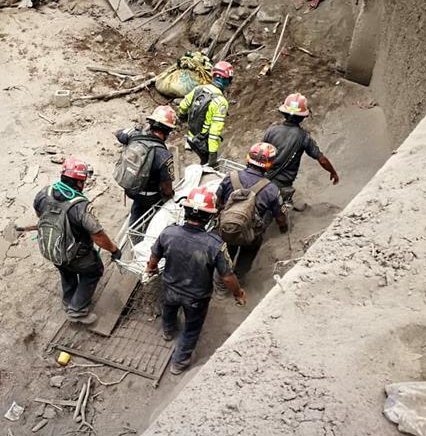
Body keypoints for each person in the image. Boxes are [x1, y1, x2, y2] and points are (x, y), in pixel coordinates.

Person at [145, 186, 245, 374]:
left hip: (170, 288)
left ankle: (168, 332)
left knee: (169, 310)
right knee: (192, 328)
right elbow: (228, 277)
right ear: (209, 217)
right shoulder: (215, 245)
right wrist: (238, 294)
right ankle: (179, 363)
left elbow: (154, 256)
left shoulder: (169, 233)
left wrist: (151, 268)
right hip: (196, 298)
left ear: (186, 210)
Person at [29, 157, 122, 324]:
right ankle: (77, 310)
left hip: (52, 249)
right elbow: (98, 236)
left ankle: (68, 300)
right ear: (80, 182)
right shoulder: (80, 206)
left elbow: (39, 215)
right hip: (76, 254)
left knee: (66, 270)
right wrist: (114, 250)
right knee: (93, 271)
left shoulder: (44, 193)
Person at [262, 93, 339, 229]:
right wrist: (333, 172)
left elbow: (260, 152)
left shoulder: (271, 130)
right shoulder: (304, 137)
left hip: (262, 177)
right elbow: (322, 160)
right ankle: (283, 228)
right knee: (278, 212)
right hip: (282, 183)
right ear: (303, 117)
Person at [215, 142, 285, 282]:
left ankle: (221, 285)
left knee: (226, 255)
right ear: (270, 164)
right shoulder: (272, 189)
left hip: (228, 228)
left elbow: (218, 202)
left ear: (248, 158)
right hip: (252, 235)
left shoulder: (230, 177)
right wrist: (284, 228)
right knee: (247, 256)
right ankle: (239, 279)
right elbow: (280, 217)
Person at [114, 106, 177, 227]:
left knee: (137, 211)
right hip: (151, 197)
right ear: (167, 131)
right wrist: (170, 198)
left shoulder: (135, 135)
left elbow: (118, 133)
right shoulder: (164, 155)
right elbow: (167, 188)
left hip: (131, 189)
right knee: (156, 217)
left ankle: (133, 228)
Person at [178, 60, 233, 167]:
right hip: (203, 143)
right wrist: (212, 155)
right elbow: (214, 132)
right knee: (208, 169)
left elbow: (183, 105)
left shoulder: (199, 89)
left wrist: (182, 116)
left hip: (191, 137)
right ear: (227, 80)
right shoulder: (221, 102)